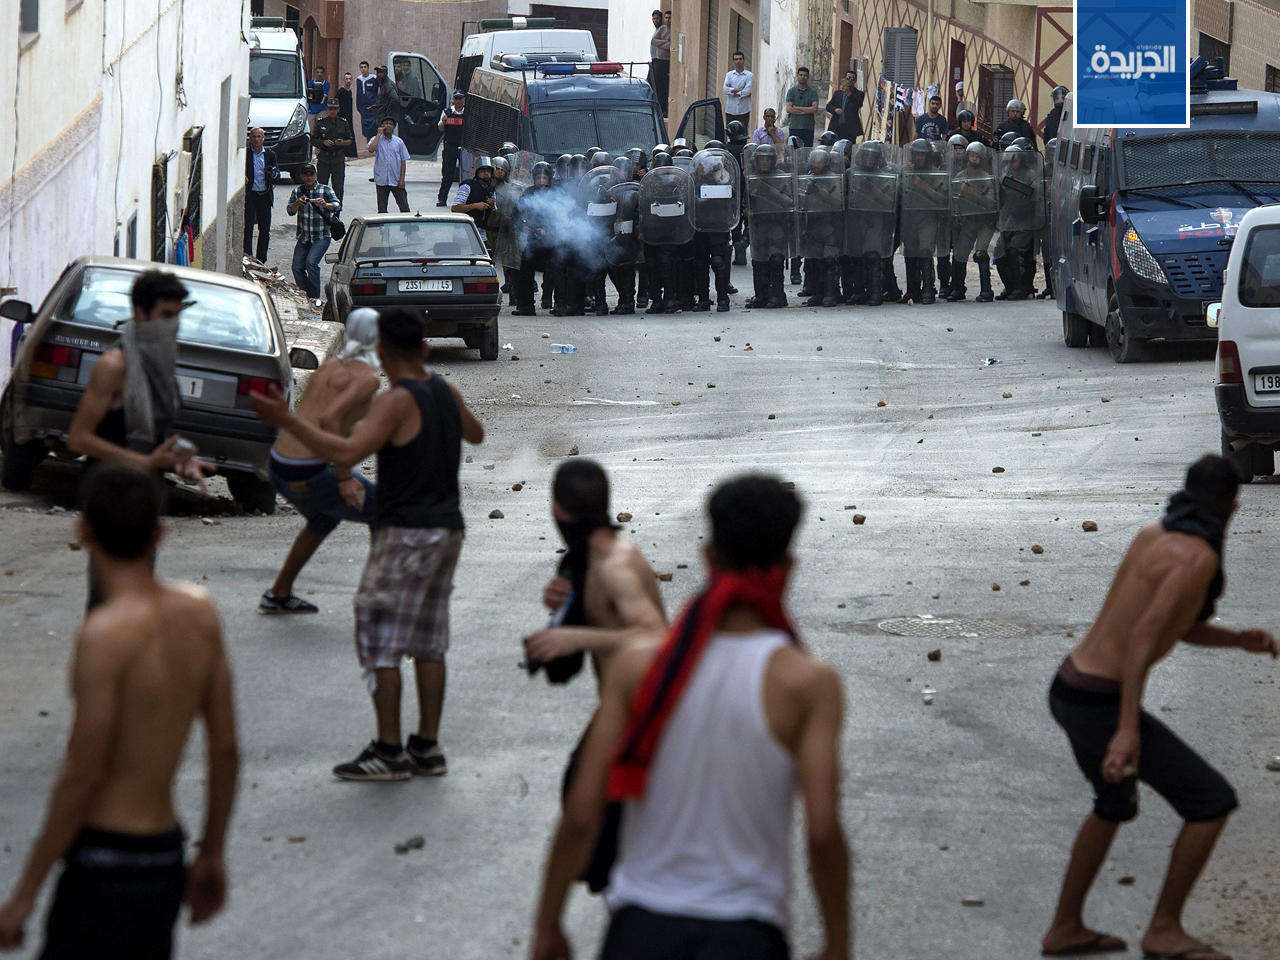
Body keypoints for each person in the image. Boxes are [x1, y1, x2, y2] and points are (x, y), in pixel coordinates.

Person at [528, 474, 850, 960]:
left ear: (707, 557)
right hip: (746, 934)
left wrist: (548, 925)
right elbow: (823, 833)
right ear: (789, 568)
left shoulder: (640, 668)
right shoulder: (809, 684)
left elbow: (581, 813)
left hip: (640, 927)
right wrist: (838, 945)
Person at [0, 462, 239, 958]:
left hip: (104, 859)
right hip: (163, 854)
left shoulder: (103, 636)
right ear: (160, 533)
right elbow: (226, 748)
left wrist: (24, 895)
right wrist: (212, 852)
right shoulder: (200, 613)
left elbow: (84, 774)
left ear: (83, 531)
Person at [1043, 455, 1277, 960]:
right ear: (1233, 507)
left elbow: (1175, 626)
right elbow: (1143, 639)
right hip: (1102, 703)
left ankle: (1064, 929)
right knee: (1210, 802)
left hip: (1069, 688)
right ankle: (1164, 931)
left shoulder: (1151, 534)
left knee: (1113, 802)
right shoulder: (1199, 559)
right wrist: (1127, 731)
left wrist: (1238, 641)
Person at [251, 308, 485, 781]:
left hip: (405, 532)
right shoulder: (445, 389)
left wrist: (285, 420)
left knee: (381, 642)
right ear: (423, 349)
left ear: (382, 352)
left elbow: (343, 453)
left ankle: (389, 750)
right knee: (429, 642)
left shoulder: (394, 401)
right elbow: (475, 434)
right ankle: (427, 748)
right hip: (447, 529)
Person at [67, 270, 208, 610]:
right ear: (140, 314)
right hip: (109, 491)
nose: (172, 325)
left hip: (146, 491)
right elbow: (79, 438)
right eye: (165, 316)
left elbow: (158, 430)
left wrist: (183, 457)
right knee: (108, 599)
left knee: (137, 597)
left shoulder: (159, 358)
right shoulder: (114, 365)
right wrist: (145, 462)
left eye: (177, 316)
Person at [259, 309, 381, 614]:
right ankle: (378, 597)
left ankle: (278, 594)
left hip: (279, 463)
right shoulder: (367, 377)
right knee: (385, 512)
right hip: (308, 470)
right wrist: (344, 478)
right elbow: (330, 420)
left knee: (324, 518)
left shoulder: (329, 366)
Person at [286, 163, 340, 300]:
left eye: (311, 174)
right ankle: (305, 294)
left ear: (316, 175)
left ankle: (314, 298)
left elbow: (337, 206)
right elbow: (290, 211)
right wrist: (297, 203)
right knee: (297, 267)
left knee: (311, 263)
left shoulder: (325, 190)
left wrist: (325, 204)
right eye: (306, 175)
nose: (309, 178)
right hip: (304, 237)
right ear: (302, 176)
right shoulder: (298, 191)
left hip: (321, 236)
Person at [243, 127, 279, 262]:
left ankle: (261, 260)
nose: (257, 139)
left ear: (263, 138)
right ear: (250, 138)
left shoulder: (270, 155)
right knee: (248, 227)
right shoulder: (246, 154)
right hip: (250, 195)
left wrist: (273, 173)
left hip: (264, 195)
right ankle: (248, 257)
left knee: (264, 230)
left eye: (259, 137)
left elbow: (277, 173)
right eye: (254, 137)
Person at [314, 98, 354, 201]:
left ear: (338, 110)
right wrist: (323, 142)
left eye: (334, 109)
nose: (332, 111)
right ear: (327, 110)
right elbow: (313, 140)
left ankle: (336, 213)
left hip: (338, 159)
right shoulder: (320, 123)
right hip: (324, 159)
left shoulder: (343, 123)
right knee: (321, 189)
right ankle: (321, 213)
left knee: (338, 189)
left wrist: (341, 143)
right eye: (330, 109)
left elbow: (350, 140)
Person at [368, 117, 410, 213]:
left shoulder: (399, 142)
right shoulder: (376, 139)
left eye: (390, 124)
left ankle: (406, 227)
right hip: (382, 179)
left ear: (393, 127)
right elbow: (371, 149)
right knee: (382, 209)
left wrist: (402, 179)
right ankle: (383, 228)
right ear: (381, 126)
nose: (387, 125)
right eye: (385, 123)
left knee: (404, 207)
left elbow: (403, 160)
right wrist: (379, 134)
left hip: (396, 179)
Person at [438, 91, 467, 207]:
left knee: (465, 174)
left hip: (464, 146)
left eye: (461, 98)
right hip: (450, 145)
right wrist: (444, 120)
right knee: (447, 173)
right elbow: (440, 128)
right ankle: (442, 198)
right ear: (453, 100)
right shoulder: (447, 112)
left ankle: (464, 199)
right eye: (456, 98)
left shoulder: (468, 113)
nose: (459, 101)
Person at [784, 66, 820, 147]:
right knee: (794, 150)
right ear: (797, 76)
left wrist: (796, 108)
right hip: (795, 126)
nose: (803, 77)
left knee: (807, 150)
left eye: (805, 75)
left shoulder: (812, 92)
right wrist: (806, 111)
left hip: (808, 127)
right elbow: (789, 109)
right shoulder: (791, 91)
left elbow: (814, 108)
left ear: (808, 77)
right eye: (801, 75)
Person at [825, 71, 864, 142]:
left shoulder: (859, 94)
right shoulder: (838, 93)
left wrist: (849, 93)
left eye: (852, 79)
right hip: (836, 127)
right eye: (848, 78)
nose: (849, 80)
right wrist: (835, 109)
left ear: (855, 81)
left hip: (850, 129)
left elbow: (858, 105)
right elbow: (828, 106)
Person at [648, 10, 670, 118]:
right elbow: (654, 41)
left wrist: (659, 43)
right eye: (653, 19)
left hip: (661, 61)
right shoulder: (658, 29)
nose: (655, 20)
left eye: (657, 18)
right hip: (655, 60)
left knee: (660, 86)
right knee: (652, 83)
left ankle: (662, 108)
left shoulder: (663, 28)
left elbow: (655, 41)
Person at [722, 51, 753, 129]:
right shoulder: (729, 75)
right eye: (736, 59)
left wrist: (732, 91)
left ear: (743, 60)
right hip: (730, 110)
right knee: (730, 132)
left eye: (740, 59)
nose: (738, 61)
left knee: (743, 132)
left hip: (743, 111)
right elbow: (725, 89)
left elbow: (747, 91)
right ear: (733, 61)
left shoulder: (749, 75)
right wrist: (738, 90)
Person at [356, 60, 380, 143]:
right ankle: (369, 149)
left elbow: (379, 91)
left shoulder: (374, 78)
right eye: (361, 67)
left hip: (373, 109)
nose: (363, 69)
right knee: (366, 132)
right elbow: (358, 94)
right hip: (364, 111)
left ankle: (375, 149)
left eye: (365, 67)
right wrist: (359, 108)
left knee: (375, 131)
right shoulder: (358, 79)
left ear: (368, 68)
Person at [337, 72, 358, 158]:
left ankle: (350, 154)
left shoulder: (350, 92)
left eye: (350, 79)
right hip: (341, 117)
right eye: (346, 79)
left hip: (349, 118)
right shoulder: (341, 92)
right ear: (344, 80)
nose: (348, 81)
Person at [374, 64, 400, 128]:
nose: (379, 74)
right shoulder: (383, 84)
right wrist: (377, 106)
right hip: (382, 117)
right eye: (378, 73)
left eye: (381, 72)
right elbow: (385, 100)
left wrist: (388, 114)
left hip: (385, 120)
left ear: (386, 73)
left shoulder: (388, 85)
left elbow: (395, 99)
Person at [307, 64, 329, 135]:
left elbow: (324, 96)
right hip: (311, 110)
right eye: (318, 72)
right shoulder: (310, 83)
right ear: (315, 73)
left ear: (323, 74)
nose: (319, 74)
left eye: (321, 72)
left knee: (322, 130)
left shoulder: (326, 84)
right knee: (311, 130)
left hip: (322, 109)